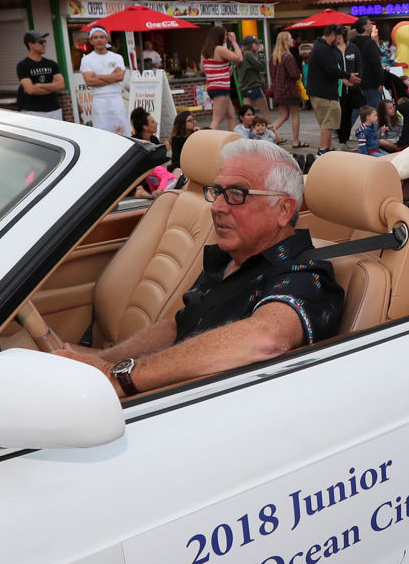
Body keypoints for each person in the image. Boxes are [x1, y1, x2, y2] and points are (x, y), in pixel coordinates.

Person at [53, 141, 344, 396]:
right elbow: (181, 325)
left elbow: (266, 339)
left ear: (282, 210)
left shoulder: (306, 273)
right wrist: (103, 363)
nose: (217, 207)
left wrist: (120, 377)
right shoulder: (229, 258)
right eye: (217, 192)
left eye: (236, 194)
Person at [307, 24, 360, 156]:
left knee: (328, 122)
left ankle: (329, 148)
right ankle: (323, 149)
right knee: (328, 122)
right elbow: (331, 69)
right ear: (332, 35)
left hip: (319, 92)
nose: (339, 41)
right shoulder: (323, 49)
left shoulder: (320, 46)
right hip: (325, 93)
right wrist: (348, 76)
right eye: (338, 38)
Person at [80, 26, 131, 136]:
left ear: (106, 39)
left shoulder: (117, 57)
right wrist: (112, 76)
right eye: (96, 37)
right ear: (91, 41)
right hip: (99, 100)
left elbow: (119, 77)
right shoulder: (86, 59)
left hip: (116, 98)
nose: (99, 40)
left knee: (122, 133)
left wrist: (97, 76)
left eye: (102, 37)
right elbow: (89, 81)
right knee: (102, 134)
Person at [270, 31, 308, 150]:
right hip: (289, 90)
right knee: (295, 115)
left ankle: (270, 130)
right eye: (291, 38)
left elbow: (272, 75)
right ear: (285, 41)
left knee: (284, 115)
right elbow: (294, 75)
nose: (293, 40)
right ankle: (296, 141)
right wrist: (300, 70)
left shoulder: (273, 57)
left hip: (278, 90)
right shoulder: (288, 56)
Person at [200, 26, 242, 131]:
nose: (226, 37)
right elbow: (239, 58)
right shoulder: (219, 49)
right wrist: (234, 42)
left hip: (212, 87)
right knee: (216, 119)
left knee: (232, 117)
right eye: (225, 34)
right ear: (219, 36)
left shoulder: (204, 51)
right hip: (221, 87)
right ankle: (209, 143)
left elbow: (202, 69)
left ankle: (231, 142)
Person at [17, 30, 64, 120]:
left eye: (45, 41)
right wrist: (52, 87)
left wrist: (39, 85)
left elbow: (61, 85)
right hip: (33, 111)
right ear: (30, 44)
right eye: (41, 42)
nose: (44, 45)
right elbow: (30, 90)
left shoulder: (51, 64)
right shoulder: (23, 65)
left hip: (54, 110)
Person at [334, 25, 363, 148]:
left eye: (340, 36)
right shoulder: (331, 50)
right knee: (342, 115)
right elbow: (330, 69)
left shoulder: (353, 48)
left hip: (353, 88)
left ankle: (347, 139)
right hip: (338, 89)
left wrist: (356, 80)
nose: (338, 38)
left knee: (351, 113)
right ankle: (342, 141)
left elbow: (359, 65)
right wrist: (341, 79)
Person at [236, 35, 272, 127]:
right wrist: (260, 53)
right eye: (256, 43)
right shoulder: (248, 54)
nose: (258, 45)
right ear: (251, 44)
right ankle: (273, 134)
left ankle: (248, 134)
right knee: (265, 113)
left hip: (245, 88)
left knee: (248, 115)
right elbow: (260, 65)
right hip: (254, 87)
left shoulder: (242, 54)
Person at [352, 16, 385, 110]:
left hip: (357, 80)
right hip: (371, 81)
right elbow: (376, 63)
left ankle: (346, 125)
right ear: (365, 27)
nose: (372, 26)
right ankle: (375, 125)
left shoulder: (352, 43)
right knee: (375, 109)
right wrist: (381, 82)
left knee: (362, 109)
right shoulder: (370, 43)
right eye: (370, 24)